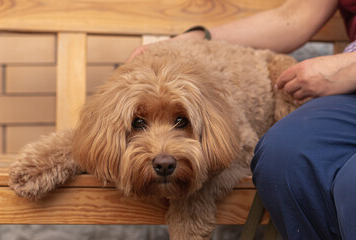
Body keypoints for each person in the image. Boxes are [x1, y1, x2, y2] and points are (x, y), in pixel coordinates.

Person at [127, 0, 356, 239]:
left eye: (180, 122)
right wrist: (199, 36)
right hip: (347, 95)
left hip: (345, 74)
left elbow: (236, 143)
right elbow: (295, 16)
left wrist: (348, 67)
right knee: (282, 156)